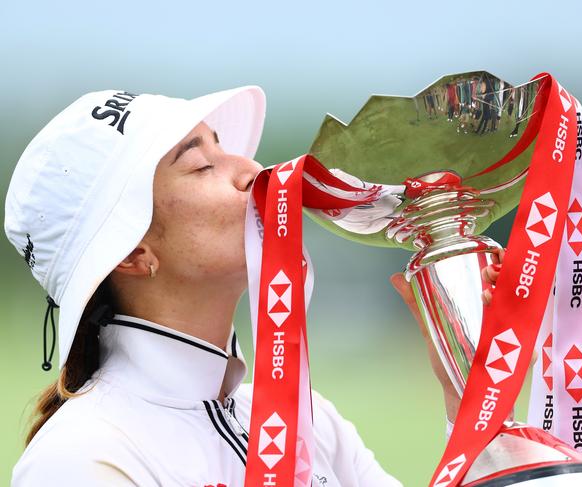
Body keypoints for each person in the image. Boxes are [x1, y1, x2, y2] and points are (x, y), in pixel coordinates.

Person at [5, 86, 502, 486]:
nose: (253, 170)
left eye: (226, 147)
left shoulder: (310, 421)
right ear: (133, 253)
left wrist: (466, 394)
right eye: (201, 165)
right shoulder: (83, 458)